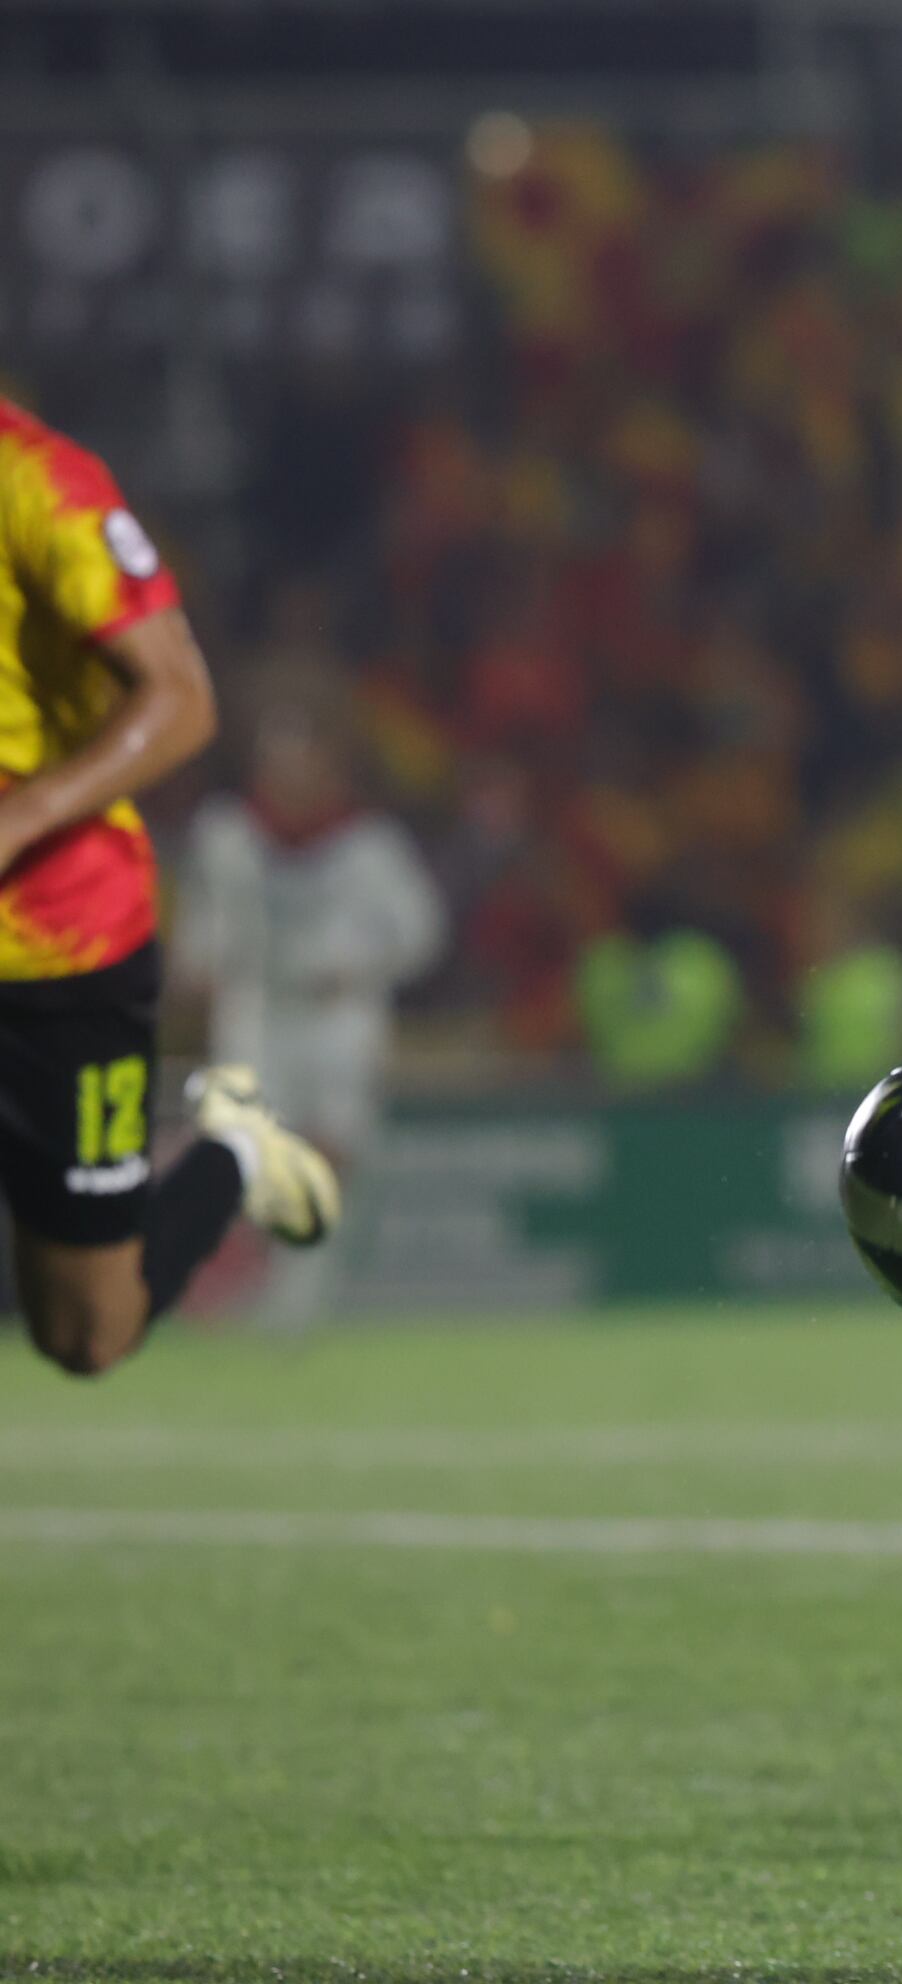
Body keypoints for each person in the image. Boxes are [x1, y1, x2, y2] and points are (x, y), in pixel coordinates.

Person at [0, 397, 340, 1376]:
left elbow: (183, 701)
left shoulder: (42, 486)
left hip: (62, 943)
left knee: (85, 1332)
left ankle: (233, 1153)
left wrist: (14, 823)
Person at [172, 700, 446, 1318]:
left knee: (335, 1150)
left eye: (303, 759)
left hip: (338, 1016)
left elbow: (422, 932)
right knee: (250, 1150)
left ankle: (308, 1295)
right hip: (258, 1010)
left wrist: (363, 964)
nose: (291, 774)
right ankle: (258, 1288)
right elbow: (203, 925)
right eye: (279, 759)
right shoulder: (229, 834)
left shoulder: (369, 843)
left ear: (330, 767)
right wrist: (200, 960)